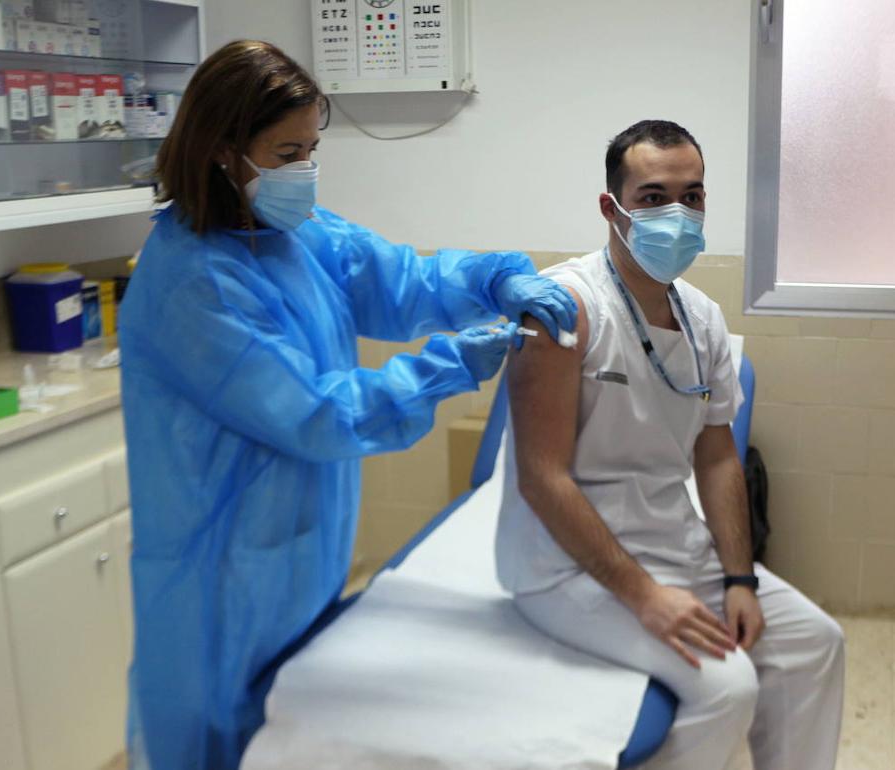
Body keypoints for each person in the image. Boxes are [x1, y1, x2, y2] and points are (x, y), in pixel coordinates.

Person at [117, 40, 576, 770]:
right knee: (223, 743)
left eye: (312, 148)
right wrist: (452, 364)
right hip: (220, 581)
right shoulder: (192, 284)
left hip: (300, 554)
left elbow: (407, 282)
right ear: (220, 152)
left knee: (296, 729)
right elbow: (321, 414)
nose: (305, 170)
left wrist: (497, 282)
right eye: (287, 151)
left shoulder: (295, 235)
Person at [495, 120, 845, 770]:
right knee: (728, 686)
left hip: (672, 546)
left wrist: (739, 577)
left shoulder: (703, 317)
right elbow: (541, 478)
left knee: (815, 642)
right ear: (612, 207)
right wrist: (643, 595)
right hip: (563, 567)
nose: (677, 214)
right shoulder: (562, 308)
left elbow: (716, 455)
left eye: (693, 196)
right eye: (654, 197)